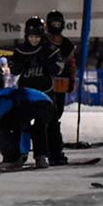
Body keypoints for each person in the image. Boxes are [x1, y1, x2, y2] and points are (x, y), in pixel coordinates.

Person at [9, 16, 64, 162]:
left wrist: (47, 63)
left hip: (45, 93)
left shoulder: (49, 49)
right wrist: (20, 64)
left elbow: (58, 68)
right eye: (31, 36)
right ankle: (21, 153)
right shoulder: (21, 50)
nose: (34, 40)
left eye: (37, 37)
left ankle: (50, 154)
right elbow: (13, 69)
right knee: (22, 124)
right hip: (26, 93)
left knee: (48, 124)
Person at [0, 86, 55, 170]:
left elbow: (6, 114)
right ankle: (41, 158)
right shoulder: (6, 92)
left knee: (4, 125)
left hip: (31, 104)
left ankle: (11, 159)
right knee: (38, 128)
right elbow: (24, 128)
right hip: (48, 104)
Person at [44, 10, 76, 165]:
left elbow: (71, 63)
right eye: (54, 23)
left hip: (60, 83)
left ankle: (50, 144)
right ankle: (51, 147)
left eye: (58, 23)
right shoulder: (43, 41)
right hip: (45, 83)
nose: (56, 26)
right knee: (50, 115)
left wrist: (72, 80)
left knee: (58, 112)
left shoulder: (67, 44)